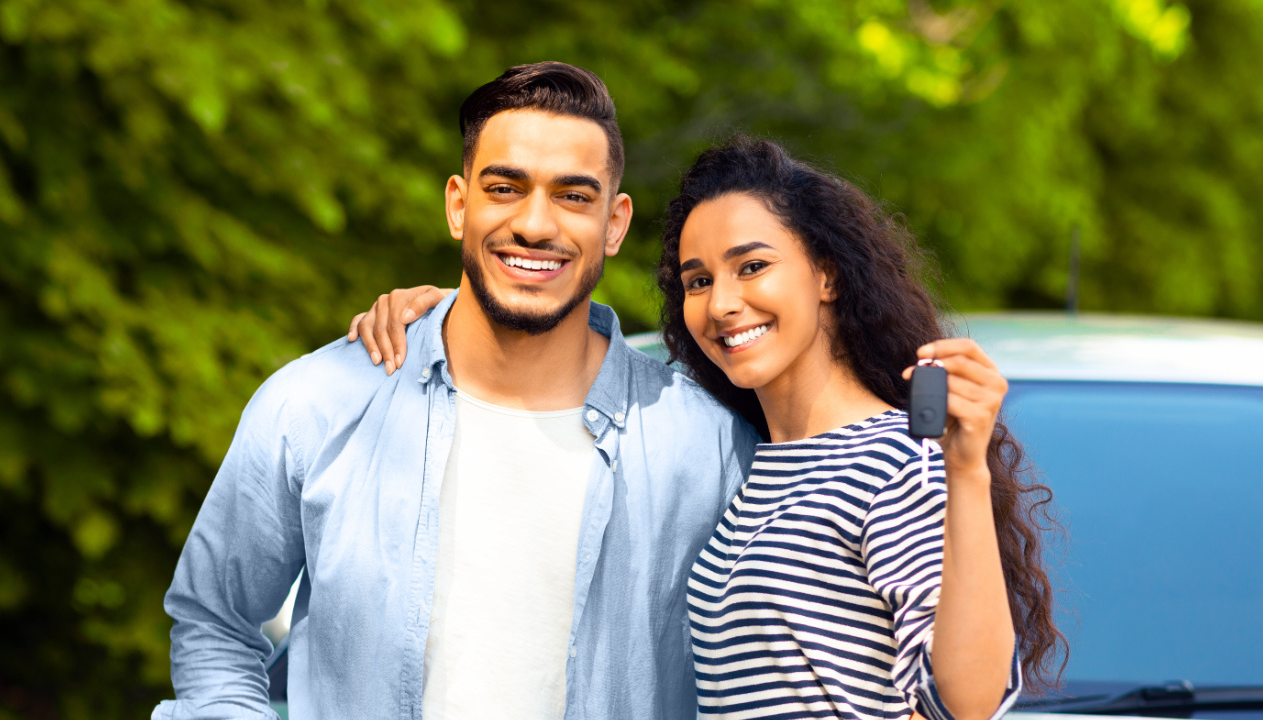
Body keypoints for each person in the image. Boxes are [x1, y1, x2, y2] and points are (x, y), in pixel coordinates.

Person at [353, 139, 1063, 720]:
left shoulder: (896, 460)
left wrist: (967, 473)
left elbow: (969, 704)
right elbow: (570, 371)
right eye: (697, 281)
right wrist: (447, 317)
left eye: (752, 267)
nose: (723, 303)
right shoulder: (744, 455)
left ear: (827, 274)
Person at [155, 62, 758, 720]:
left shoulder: (710, 446)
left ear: (614, 224)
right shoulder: (319, 402)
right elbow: (214, 624)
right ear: (458, 204)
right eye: (505, 187)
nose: (535, 224)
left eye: (573, 197)